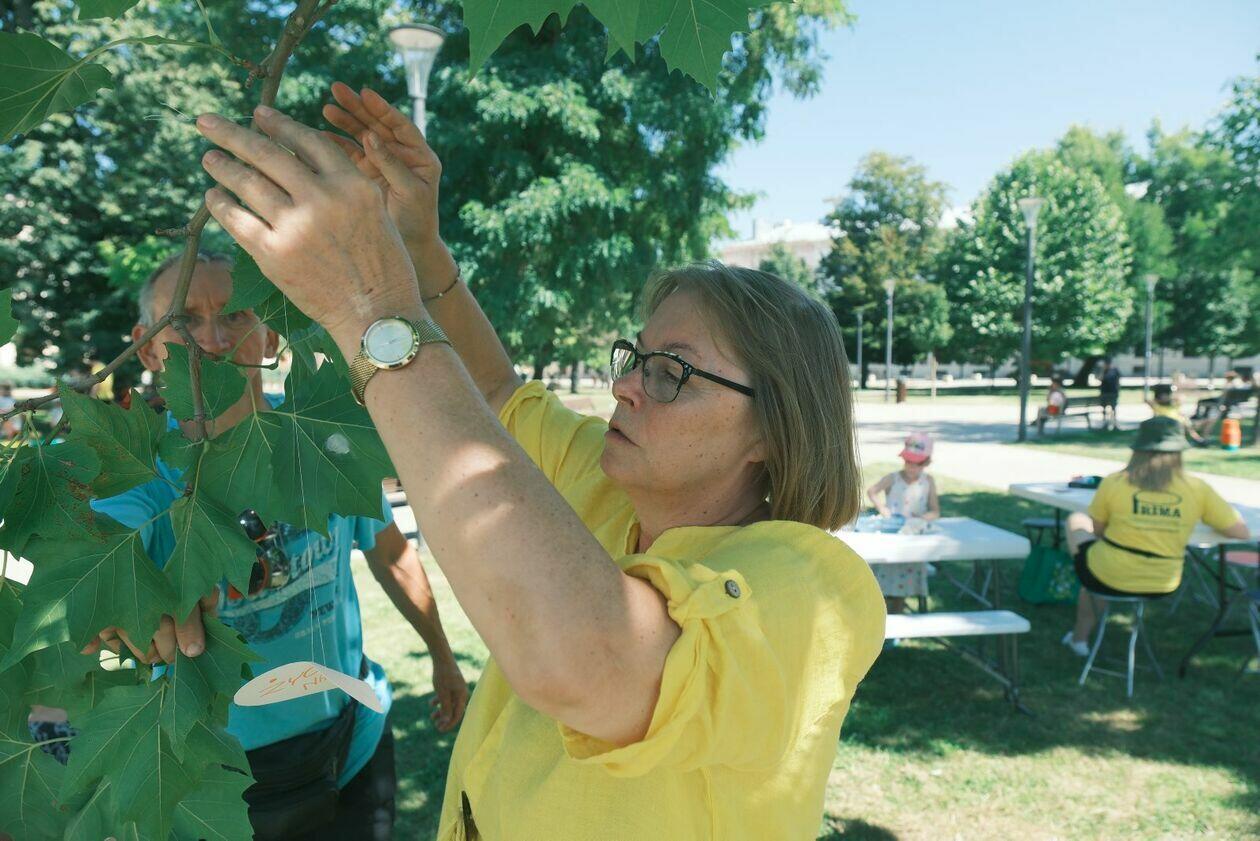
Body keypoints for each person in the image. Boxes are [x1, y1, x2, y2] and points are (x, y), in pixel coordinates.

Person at [192, 87, 885, 840]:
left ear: (775, 429)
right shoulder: (610, 487)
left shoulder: (815, 588)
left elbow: (593, 668)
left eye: (671, 373)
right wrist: (417, 246)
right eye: (637, 357)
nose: (625, 385)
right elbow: (492, 395)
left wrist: (373, 308)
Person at [76, 252, 469, 840]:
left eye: (236, 314)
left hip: (354, 739)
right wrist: (108, 594)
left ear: (270, 335)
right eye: (185, 320)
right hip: (222, 779)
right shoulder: (136, 472)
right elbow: (96, 547)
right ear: (149, 348)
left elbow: (390, 553)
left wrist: (441, 655)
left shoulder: (325, 439)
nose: (214, 340)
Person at [1061, 416, 1250, 654]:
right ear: (1179, 451)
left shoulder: (1114, 482)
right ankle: (1083, 625)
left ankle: (1080, 638)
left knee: (1077, 522)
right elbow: (1240, 531)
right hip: (1163, 581)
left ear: (1137, 449)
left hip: (1108, 574)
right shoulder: (1197, 488)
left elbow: (1098, 530)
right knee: (1098, 566)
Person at [865, 432, 941, 613]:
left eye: (917, 463)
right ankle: (880, 614)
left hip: (912, 538)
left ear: (926, 463)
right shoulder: (893, 478)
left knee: (904, 583)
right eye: (908, 461)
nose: (911, 467)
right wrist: (882, 508)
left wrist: (921, 519)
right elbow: (872, 491)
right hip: (892, 535)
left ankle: (898, 612)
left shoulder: (927, 482)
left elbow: (935, 511)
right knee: (882, 582)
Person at [1098, 358, 1121, 431]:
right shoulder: (1105, 371)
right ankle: (1107, 424)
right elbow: (1100, 379)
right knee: (1107, 409)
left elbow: (1117, 381)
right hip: (1107, 392)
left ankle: (1113, 424)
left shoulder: (1114, 370)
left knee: (1113, 409)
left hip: (1111, 392)